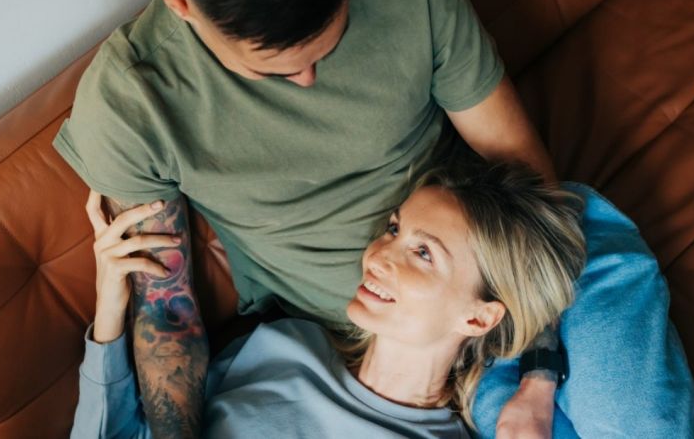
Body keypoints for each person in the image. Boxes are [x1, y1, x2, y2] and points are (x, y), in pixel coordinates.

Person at [53, 0, 565, 436]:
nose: (306, 79)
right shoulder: (130, 103)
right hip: (373, 347)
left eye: (328, 44)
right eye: (270, 68)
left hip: (511, 260)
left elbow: (531, 183)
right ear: (183, 10)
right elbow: (168, 319)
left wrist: (543, 365)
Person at [72, 162, 587, 438]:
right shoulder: (281, 345)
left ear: (479, 316)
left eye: (423, 253)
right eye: (393, 228)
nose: (380, 256)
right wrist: (111, 308)